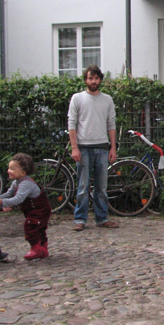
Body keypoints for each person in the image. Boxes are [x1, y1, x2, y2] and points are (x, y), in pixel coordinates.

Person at [68, 65, 119, 231]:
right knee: (83, 187)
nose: (93, 81)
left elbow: (111, 124)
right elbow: (72, 124)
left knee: (102, 188)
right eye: (90, 78)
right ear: (85, 80)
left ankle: (102, 218)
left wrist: (113, 148)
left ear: (100, 80)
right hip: (83, 148)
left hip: (102, 148)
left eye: (96, 78)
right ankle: (80, 219)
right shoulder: (77, 98)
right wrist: (74, 147)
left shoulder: (107, 100)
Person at [0, 153, 52, 260]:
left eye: (12, 169)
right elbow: (9, 194)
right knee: (39, 229)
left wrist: (2, 203)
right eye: (9, 168)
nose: (8, 171)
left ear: (23, 172)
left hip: (40, 210)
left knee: (30, 227)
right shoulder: (16, 182)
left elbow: (18, 199)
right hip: (35, 210)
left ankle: (36, 249)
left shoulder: (25, 184)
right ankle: (43, 248)